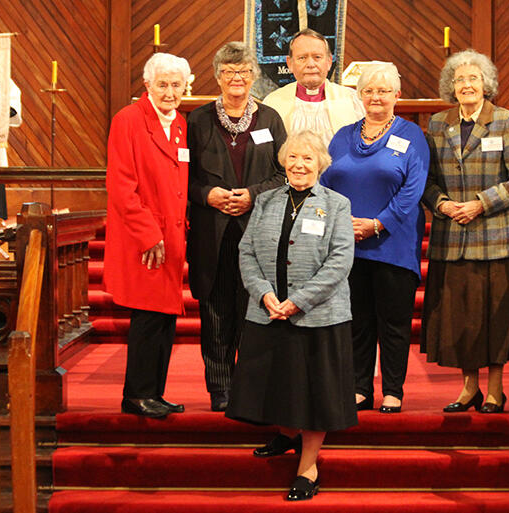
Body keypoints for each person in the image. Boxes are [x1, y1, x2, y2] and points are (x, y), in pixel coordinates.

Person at [226, 129, 356, 501]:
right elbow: (246, 252)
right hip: (268, 311)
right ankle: (287, 433)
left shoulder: (337, 205)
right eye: (293, 158)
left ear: (321, 164)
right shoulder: (265, 201)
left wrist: (298, 300)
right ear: (284, 161)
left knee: (316, 392)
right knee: (280, 382)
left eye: (308, 158)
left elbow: (339, 263)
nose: (300, 165)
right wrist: (264, 294)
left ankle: (308, 466)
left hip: (319, 317)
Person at [421, 49, 509, 413]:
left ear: (486, 84)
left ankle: (496, 391)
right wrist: (441, 204)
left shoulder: (505, 121)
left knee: (495, 319)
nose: (466, 85)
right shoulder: (438, 124)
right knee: (461, 320)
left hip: (495, 240)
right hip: (451, 238)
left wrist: (480, 203)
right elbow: (427, 181)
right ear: (450, 87)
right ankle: (468, 389)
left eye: (473, 79)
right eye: (459, 80)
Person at [320, 62, 428, 414]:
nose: (376, 96)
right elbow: (324, 184)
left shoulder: (412, 136)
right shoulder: (342, 136)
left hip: (392, 244)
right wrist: (339, 223)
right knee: (357, 321)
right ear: (359, 95)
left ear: (397, 95)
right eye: (369, 90)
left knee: (393, 323)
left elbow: (413, 189)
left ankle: (393, 390)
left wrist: (377, 224)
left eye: (383, 90)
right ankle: (359, 388)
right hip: (348, 246)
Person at [187, 42, 287, 412]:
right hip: (211, 233)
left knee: (254, 311)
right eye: (229, 72)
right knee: (215, 313)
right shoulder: (196, 121)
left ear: (254, 76)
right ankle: (220, 388)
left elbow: (283, 173)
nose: (237, 79)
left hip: (257, 231)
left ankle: (251, 387)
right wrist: (207, 194)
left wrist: (253, 195)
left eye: (244, 71)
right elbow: (184, 176)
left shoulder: (270, 119)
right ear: (217, 77)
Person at [104, 53, 192, 418]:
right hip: (145, 238)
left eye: (176, 85)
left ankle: (155, 392)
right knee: (147, 317)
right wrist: (148, 234)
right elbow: (121, 185)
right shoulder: (128, 120)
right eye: (163, 85)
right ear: (147, 86)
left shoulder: (181, 124)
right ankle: (136, 395)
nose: (170, 92)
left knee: (165, 319)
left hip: (171, 236)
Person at [263, 28, 364, 144]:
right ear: (289, 63)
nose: (310, 64)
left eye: (317, 57)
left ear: (329, 62)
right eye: (302, 58)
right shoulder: (272, 103)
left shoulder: (353, 101)